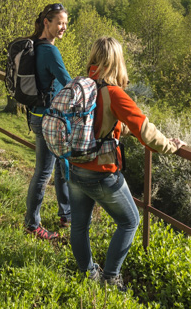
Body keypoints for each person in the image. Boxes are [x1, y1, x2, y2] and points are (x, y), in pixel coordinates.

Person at [67, 37, 184, 289]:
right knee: (130, 221)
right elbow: (145, 129)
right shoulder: (113, 93)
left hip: (75, 166)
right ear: (117, 61)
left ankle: (88, 274)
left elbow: (100, 124)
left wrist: (122, 130)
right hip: (101, 172)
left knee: (79, 226)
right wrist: (171, 146)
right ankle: (110, 278)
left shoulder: (82, 85)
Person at [24, 2, 73, 240]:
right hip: (47, 118)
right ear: (47, 22)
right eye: (59, 22)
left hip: (37, 114)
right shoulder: (50, 51)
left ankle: (67, 214)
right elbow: (67, 81)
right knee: (44, 173)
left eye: (65, 23)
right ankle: (32, 224)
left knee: (61, 164)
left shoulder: (35, 45)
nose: (63, 27)